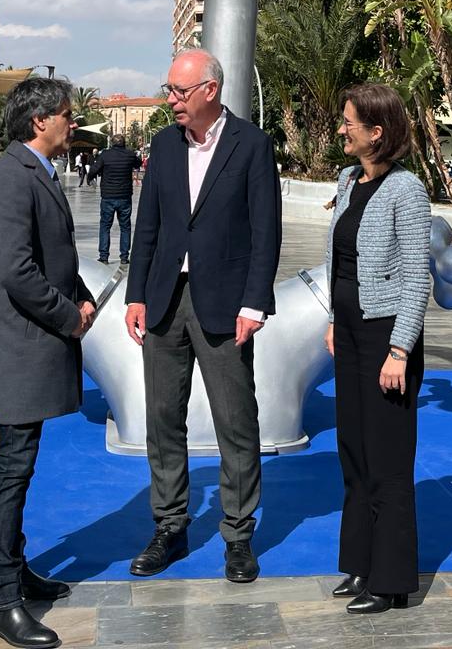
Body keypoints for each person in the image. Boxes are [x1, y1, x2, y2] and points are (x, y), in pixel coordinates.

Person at [125, 49, 281, 583]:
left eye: (179, 92)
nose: (170, 100)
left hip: (226, 306)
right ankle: (169, 526)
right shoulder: (164, 145)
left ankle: (238, 535)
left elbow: (266, 232)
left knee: (235, 422)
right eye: (168, 90)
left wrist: (254, 303)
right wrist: (136, 294)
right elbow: (149, 226)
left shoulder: (253, 145)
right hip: (165, 302)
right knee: (162, 418)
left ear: (210, 90)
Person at [0, 77, 96, 649]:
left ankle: (15, 570)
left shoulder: (37, 173)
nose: (73, 123)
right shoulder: (7, 181)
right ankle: (1, 600)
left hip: (36, 345)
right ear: (38, 121)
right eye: (67, 116)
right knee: (11, 468)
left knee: (21, 463)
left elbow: (56, 254)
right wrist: (70, 316)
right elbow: (19, 273)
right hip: (21, 348)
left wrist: (83, 293)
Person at [325, 82, 432, 614]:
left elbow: (418, 276)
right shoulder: (349, 181)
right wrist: (330, 317)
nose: (341, 129)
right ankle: (361, 563)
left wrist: (399, 350)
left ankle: (390, 581)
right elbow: (340, 262)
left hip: (385, 335)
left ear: (377, 132)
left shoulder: (406, 190)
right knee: (354, 452)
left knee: (387, 459)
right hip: (347, 331)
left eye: (349, 122)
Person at [88, 135, 143, 264]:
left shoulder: (105, 155)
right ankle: (124, 257)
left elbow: (94, 170)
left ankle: (104, 256)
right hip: (124, 196)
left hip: (108, 196)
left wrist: (89, 178)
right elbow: (138, 163)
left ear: (112, 143)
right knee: (125, 227)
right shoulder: (129, 154)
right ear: (124, 143)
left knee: (105, 226)